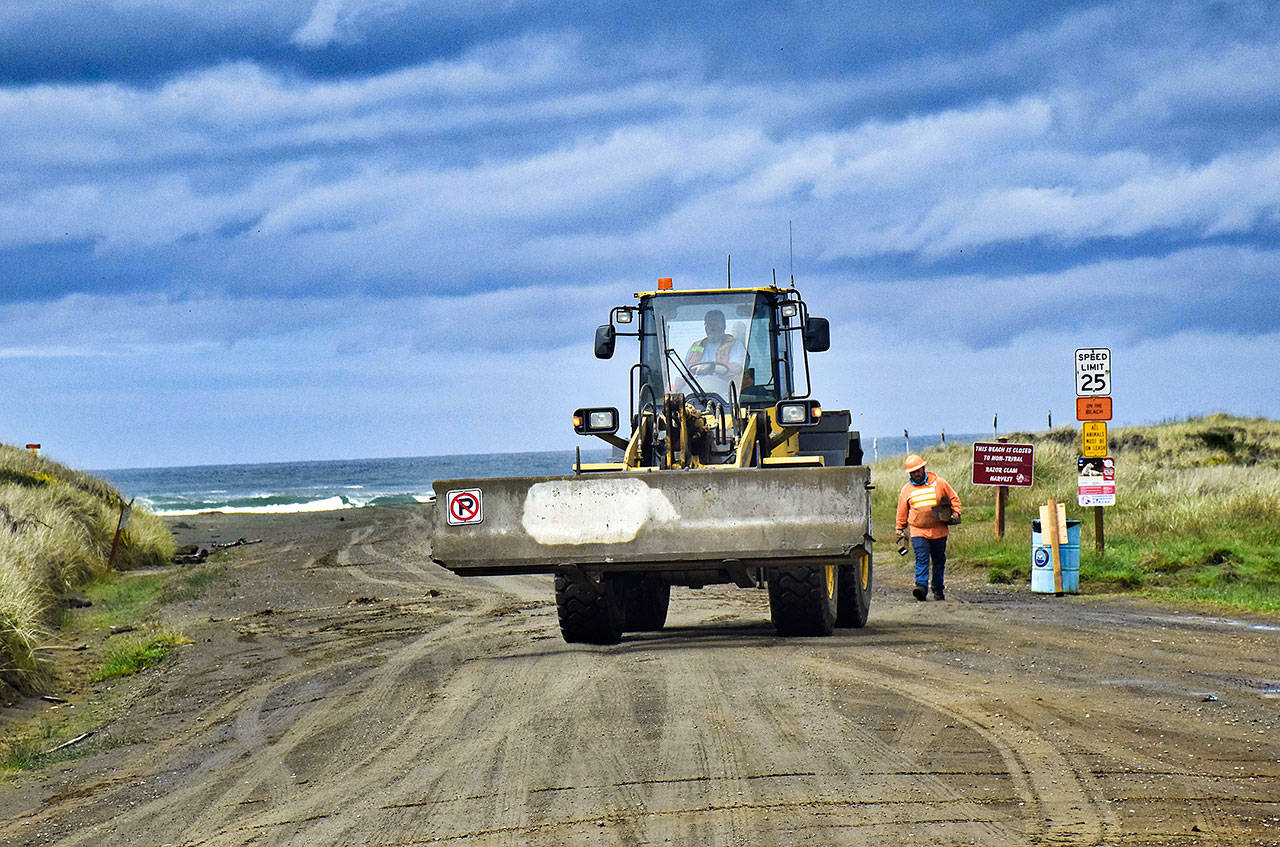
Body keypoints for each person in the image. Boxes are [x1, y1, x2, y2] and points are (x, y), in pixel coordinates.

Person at [895, 453, 962, 601]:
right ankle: (921, 588)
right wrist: (900, 528)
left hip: (939, 530)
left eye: (918, 470)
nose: (916, 474)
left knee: (939, 560)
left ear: (923, 468)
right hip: (918, 531)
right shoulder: (906, 490)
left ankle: (938, 589)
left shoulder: (939, 483)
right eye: (912, 472)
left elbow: (954, 498)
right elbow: (902, 511)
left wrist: (956, 513)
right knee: (922, 559)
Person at [686, 310, 741, 377]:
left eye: (716, 324)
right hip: (696, 386)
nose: (712, 327)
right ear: (705, 327)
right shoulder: (696, 346)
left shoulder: (735, 345)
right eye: (709, 324)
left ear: (724, 326)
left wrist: (712, 367)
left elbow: (738, 368)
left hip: (724, 386)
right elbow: (683, 373)